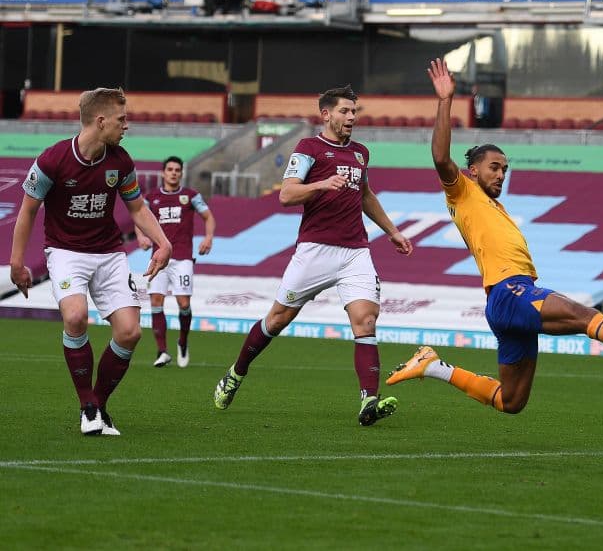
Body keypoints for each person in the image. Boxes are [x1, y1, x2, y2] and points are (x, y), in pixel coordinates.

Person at [385, 59, 603, 415]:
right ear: (473, 170)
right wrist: (446, 100)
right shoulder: (462, 192)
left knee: (510, 401)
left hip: (507, 300)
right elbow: (439, 156)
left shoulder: (497, 209)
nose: (501, 174)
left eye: (505, 170)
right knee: (588, 318)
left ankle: (433, 366)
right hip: (511, 292)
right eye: (494, 167)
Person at [212, 85, 414, 427]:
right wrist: (320, 185)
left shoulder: (361, 153)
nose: (351, 117)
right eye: (345, 111)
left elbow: (366, 195)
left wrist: (392, 231)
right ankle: (236, 372)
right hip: (315, 249)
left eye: (354, 112)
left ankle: (369, 400)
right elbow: (287, 195)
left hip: (355, 252)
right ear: (326, 114)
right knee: (276, 320)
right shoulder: (308, 148)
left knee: (365, 321)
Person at [9, 87, 171, 436]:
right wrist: (17, 262)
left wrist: (163, 242)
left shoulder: (121, 161)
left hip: (109, 253)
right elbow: (27, 211)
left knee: (129, 333)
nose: (127, 126)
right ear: (100, 121)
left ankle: (97, 405)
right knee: (76, 316)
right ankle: (88, 405)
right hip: (66, 252)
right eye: (121, 119)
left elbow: (137, 208)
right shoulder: (53, 160)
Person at [136, 156, 216, 369]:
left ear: (181, 173)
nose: (173, 172)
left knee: (184, 304)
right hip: (159, 258)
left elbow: (208, 217)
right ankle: (162, 351)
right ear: (163, 173)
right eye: (170, 169)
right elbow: (139, 217)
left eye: (177, 170)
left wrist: (208, 238)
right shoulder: (151, 197)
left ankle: (182, 341)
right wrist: (141, 236)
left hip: (182, 259)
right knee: (155, 302)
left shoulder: (190, 196)